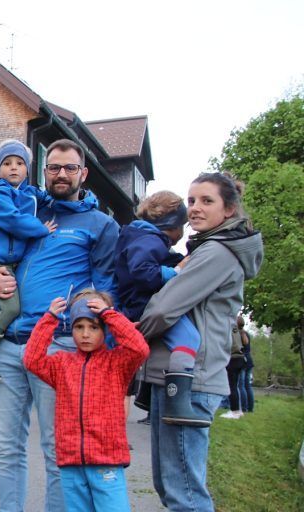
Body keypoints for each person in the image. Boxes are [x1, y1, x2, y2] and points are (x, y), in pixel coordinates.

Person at [0, 138, 120, 512]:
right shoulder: (25, 207)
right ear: (43, 171)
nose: (61, 174)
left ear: (83, 173)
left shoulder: (101, 224)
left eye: (69, 168)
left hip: (57, 347)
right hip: (7, 345)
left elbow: (105, 290)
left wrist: (100, 350)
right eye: (54, 167)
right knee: (7, 448)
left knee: (57, 448)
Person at [139, 172, 263, 511]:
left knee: (185, 494)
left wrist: (130, 333)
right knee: (170, 485)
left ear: (229, 210)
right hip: (175, 377)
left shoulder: (217, 253)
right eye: (191, 200)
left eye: (207, 201)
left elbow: (164, 308)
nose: (195, 208)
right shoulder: (205, 249)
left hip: (192, 380)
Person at [24, 290, 149, 512]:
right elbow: (32, 359)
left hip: (106, 460)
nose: (85, 334)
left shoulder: (118, 363)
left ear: (105, 329)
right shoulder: (61, 364)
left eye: (94, 327)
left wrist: (109, 314)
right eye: (79, 327)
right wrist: (49, 319)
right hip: (71, 462)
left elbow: (139, 348)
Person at [115, 190, 208, 426]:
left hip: (135, 303)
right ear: (172, 225)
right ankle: (178, 402)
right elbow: (143, 271)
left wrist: (176, 261)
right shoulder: (150, 240)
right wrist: (175, 272)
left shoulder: (139, 237)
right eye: (183, 225)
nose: (184, 231)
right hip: (143, 304)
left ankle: (148, 397)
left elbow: (155, 261)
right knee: (188, 340)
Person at [0, 140, 54, 381]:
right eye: (7, 164)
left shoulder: (29, 193)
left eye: (19, 163)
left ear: (27, 169)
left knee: (9, 304)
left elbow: (53, 199)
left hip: (12, 262)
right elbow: (13, 219)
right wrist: (40, 228)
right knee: (12, 306)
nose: (13, 168)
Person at [220, 315, 248, 420]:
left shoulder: (231, 329)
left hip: (234, 360)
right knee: (235, 386)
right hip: (240, 360)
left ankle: (235, 411)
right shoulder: (239, 331)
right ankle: (238, 410)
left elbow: (229, 345)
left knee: (232, 387)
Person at [237, 315, 255, 413]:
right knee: (247, 385)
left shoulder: (237, 335)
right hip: (249, 361)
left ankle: (244, 408)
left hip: (242, 361)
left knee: (241, 385)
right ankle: (250, 408)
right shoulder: (246, 334)